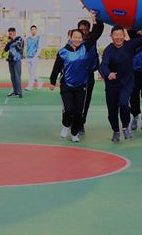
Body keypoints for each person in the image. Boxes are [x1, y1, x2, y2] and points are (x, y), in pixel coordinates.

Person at [49, 11, 104, 142]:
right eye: (75, 37)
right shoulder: (63, 52)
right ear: (70, 37)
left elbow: (96, 34)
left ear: (82, 38)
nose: (77, 39)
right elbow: (56, 68)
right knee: (69, 109)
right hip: (67, 84)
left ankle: (74, 133)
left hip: (82, 85)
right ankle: (66, 124)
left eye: (80, 37)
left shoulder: (85, 47)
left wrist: (94, 19)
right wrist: (52, 81)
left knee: (79, 111)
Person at [99, 15, 142, 142]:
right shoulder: (108, 50)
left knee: (124, 103)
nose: (118, 37)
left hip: (126, 82)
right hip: (112, 84)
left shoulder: (129, 45)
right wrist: (108, 73)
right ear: (111, 36)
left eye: (120, 35)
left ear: (124, 36)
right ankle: (116, 131)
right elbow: (103, 65)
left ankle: (125, 127)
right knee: (112, 111)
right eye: (116, 35)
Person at [78, 18, 101, 134]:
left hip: (89, 75)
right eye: (81, 29)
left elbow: (99, 29)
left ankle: (81, 123)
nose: (84, 32)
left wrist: (96, 18)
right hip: (77, 75)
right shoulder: (75, 41)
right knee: (76, 100)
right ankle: (74, 120)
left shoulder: (92, 39)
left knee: (86, 101)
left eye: (86, 29)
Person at [4, 28, 24, 98]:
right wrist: (9, 42)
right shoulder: (10, 41)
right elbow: (5, 49)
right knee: (12, 77)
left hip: (17, 60)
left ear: (14, 32)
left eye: (11, 33)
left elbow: (19, 48)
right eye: (9, 33)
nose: (10, 35)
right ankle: (15, 91)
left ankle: (19, 93)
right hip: (10, 60)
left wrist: (12, 41)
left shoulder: (20, 39)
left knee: (17, 76)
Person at [24, 25, 43, 90]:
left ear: (36, 30)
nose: (33, 30)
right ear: (31, 31)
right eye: (32, 29)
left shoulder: (38, 38)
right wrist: (25, 56)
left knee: (32, 73)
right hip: (28, 57)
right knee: (31, 73)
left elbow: (39, 48)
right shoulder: (28, 38)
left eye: (34, 29)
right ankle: (40, 82)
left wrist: (36, 56)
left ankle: (29, 86)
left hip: (34, 58)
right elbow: (25, 46)